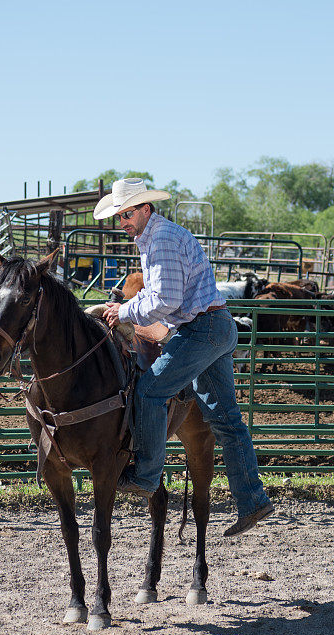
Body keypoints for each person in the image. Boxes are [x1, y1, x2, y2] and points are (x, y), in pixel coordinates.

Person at [96, 178, 273, 537]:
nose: (123, 222)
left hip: (200, 329)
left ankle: (145, 476)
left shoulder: (160, 240)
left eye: (127, 214)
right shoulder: (159, 236)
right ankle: (253, 499)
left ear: (146, 209)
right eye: (119, 216)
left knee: (149, 390)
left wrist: (124, 311)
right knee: (225, 419)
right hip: (215, 326)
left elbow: (165, 301)